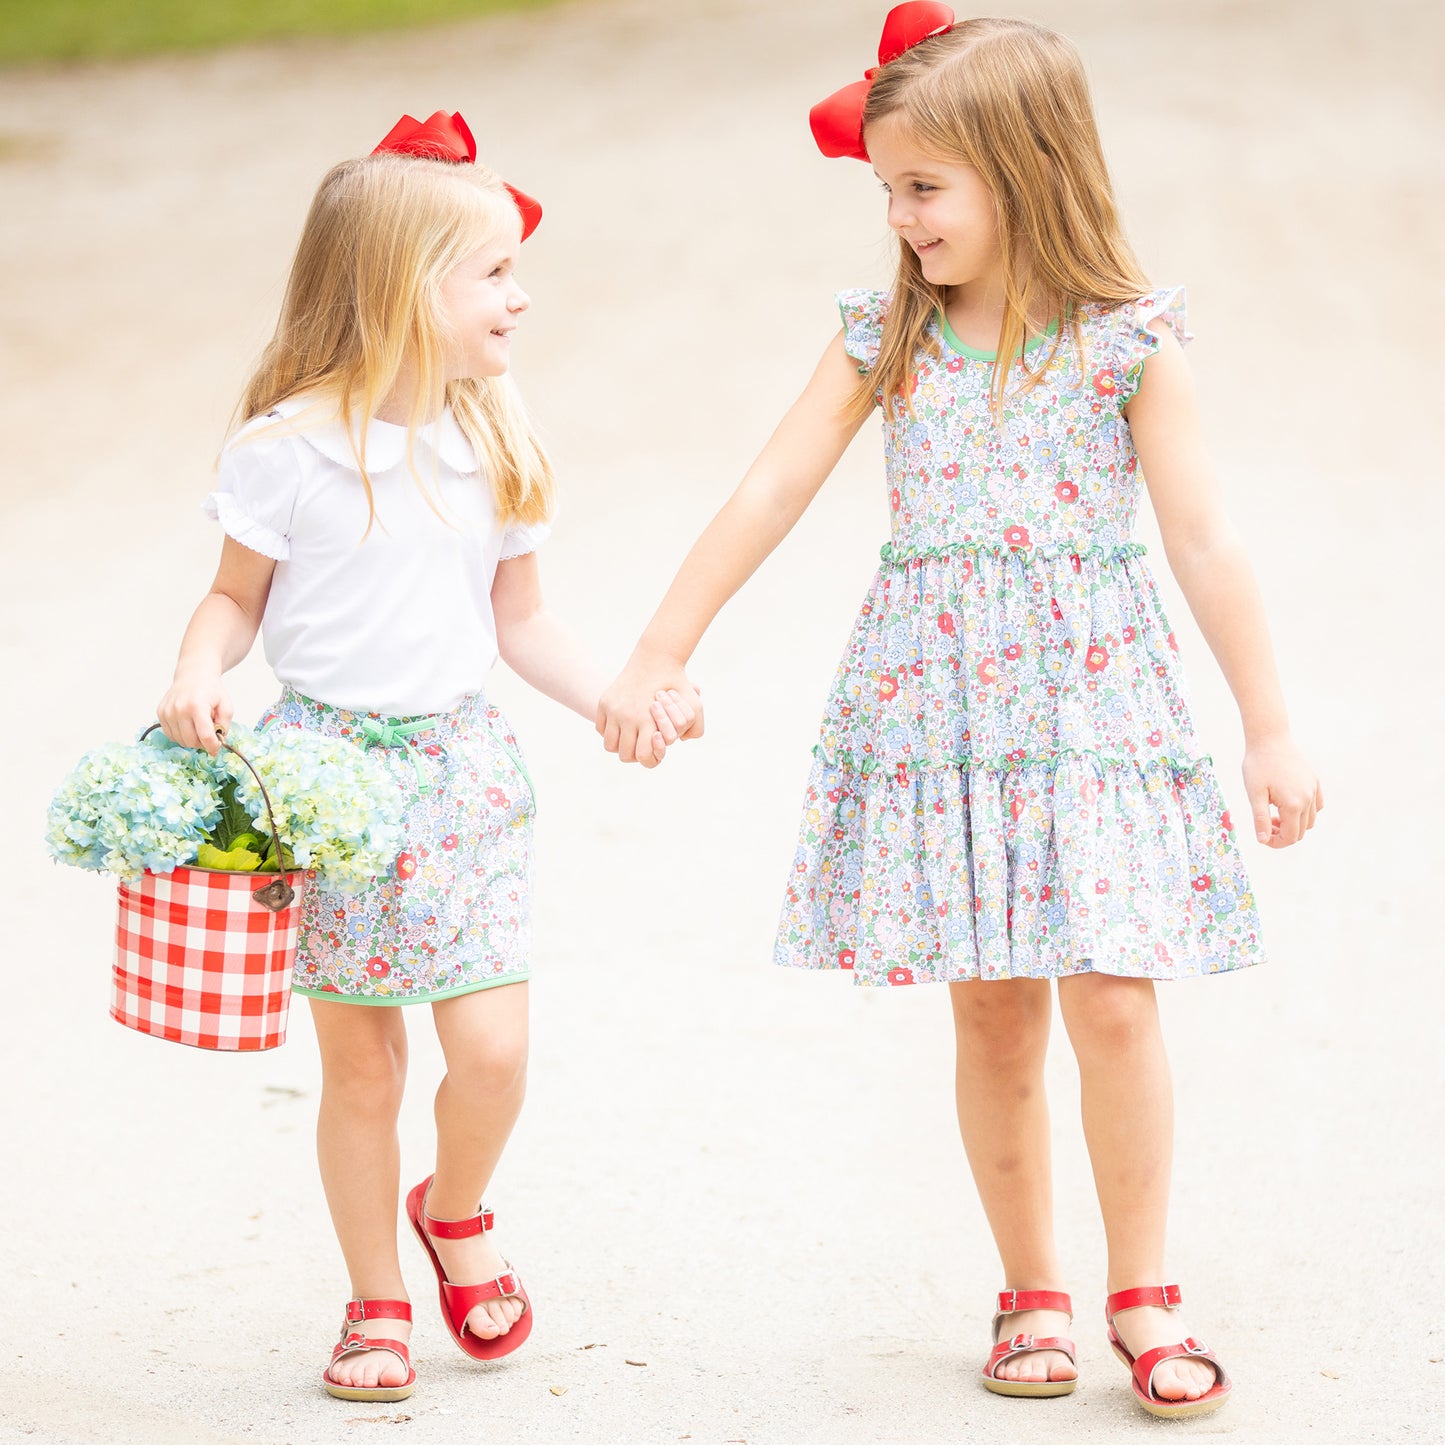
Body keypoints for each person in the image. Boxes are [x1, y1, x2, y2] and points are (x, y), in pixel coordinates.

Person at [597, 8, 1321, 1420]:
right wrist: (655, 648)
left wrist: (1269, 722)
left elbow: (1206, 539)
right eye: (885, 189)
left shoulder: (1129, 342)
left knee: (1113, 995)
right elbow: (769, 488)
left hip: (1091, 703)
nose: (898, 216)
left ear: (1023, 164)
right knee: (991, 1011)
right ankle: (1030, 1291)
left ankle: (1143, 1290)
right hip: (941, 711)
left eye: (922, 186)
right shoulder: (886, 333)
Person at [157, 111, 693, 1403]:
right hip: (326, 781)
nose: (522, 293)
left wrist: (613, 694)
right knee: (362, 1062)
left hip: (459, 776)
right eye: (494, 271)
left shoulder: (491, 436)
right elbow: (234, 600)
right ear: (404, 287)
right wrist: (196, 668)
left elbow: (524, 623)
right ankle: (376, 1301)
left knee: (493, 1049)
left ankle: (453, 1208)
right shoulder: (284, 452)